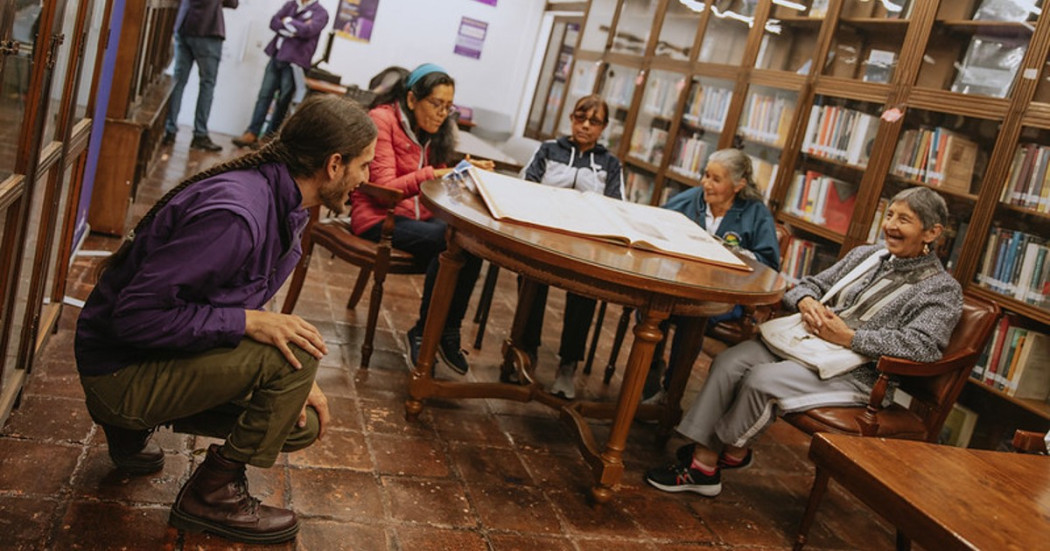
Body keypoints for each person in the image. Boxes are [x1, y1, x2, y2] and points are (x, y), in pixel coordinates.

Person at [75, 95, 378, 544]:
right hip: (118, 371)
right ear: (334, 164)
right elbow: (135, 318)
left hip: (148, 355)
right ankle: (210, 494)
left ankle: (130, 429)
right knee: (295, 353)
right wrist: (246, 324)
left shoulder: (284, 201)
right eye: (364, 166)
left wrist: (281, 365)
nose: (367, 179)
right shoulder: (236, 216)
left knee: (301, 412)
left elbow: (230, 296)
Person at [644, 186, 963, 497]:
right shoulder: (866, 255)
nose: (890, 225)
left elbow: (924, 347)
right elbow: (808, 284)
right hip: (802, 345)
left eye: (904, 220)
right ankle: (709, 462)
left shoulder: (942, 289)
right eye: (890, 214)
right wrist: (806, 301)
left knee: (761, 379)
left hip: (857, 373)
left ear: (932, 233)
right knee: (729, 362)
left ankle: (712, 460)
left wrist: (851, 338)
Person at [349, 63, 493, 375]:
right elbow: (383, 189)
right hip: (378, 218)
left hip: (417, 219)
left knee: (472, 242)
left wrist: (465, 175)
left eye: (448, 107)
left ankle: (446, 332)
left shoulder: (433, 131)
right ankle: (427, 334)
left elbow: (435, 186)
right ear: (412, 100)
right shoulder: (382, 119)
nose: (443, 114)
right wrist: (438, 173)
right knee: (449, 244)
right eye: (436, 104)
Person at [643, 148, 781, 404]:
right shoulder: (691, 199)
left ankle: (671, 393)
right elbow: (655, 226)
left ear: (738, 184)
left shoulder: (755, 213)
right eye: (706, 175)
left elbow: (770, 264)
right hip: (680, 285)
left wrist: (735, 253)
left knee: (693, 317)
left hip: (723, 297)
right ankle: (648, 380)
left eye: (716, 179)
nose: (705, 183)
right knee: (651, 308)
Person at [517, 94, 624, 399]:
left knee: (587, 288)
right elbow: (525, 186)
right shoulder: (549, 149)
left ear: (604, 128)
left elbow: (617, 207)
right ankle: (527, 350)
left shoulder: (610, 163)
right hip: (544, 236)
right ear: (571, 118)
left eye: (594, 121)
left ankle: (568, 364)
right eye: (580, 118)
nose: (585, 126)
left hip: (586, 244)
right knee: (530, 275)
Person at [232, 0, 329, 149]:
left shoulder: (320, 12)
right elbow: (274, 22)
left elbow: (307, 31)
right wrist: (296, 27)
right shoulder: (291, 4)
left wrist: (288, 21)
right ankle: (252, 133)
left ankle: (268, 139)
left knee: (283, 101)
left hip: (294, 62)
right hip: (276, 56)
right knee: (264, 96)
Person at [164, 0, 239, 152]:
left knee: (178, 82)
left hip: (184, 24)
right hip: (208, 29)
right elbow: (233, 3)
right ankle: (200, 134)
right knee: (207, 84)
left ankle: (169, 129)